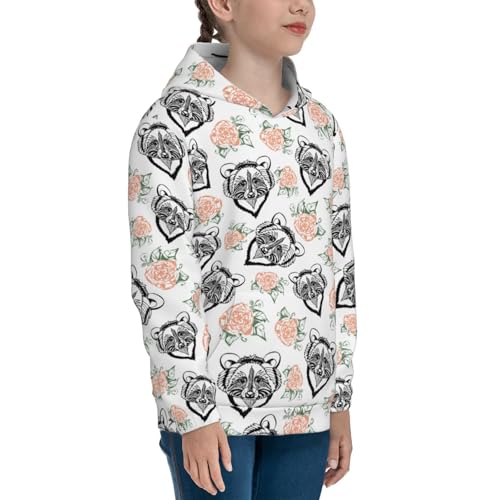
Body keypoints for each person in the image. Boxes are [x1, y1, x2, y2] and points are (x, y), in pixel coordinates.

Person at [128, 0, 358, 498]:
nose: (301, 5)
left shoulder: (321, 125)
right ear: (224, 4)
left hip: (307, 403)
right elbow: (161, 277)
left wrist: (338, 399)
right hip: (212, 409)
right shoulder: (172, 123)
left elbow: (339, 271)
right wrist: (190, 412)